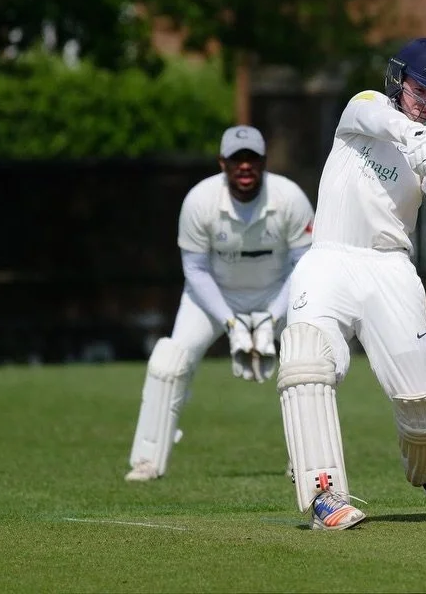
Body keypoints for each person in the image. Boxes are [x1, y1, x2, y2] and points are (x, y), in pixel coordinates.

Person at [276, 37, 426, 530]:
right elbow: (387, 123)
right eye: (419, 90)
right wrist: (422, 141)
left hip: (390, 269)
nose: (425, 103)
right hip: (329, 259)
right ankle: (324, 494)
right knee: (306, 362)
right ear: (398, 79)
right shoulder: (364, 107)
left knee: (420, 398)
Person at [125, 125, 315, 482]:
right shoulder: (200, 201)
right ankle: (147, 461)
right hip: (213, 296)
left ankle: (308, 461)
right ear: (222, 163)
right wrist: (231, 323)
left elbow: (304, 266)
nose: (245, 166)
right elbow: (195, 271)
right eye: (236, 159)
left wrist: (270, 318)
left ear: (264, 162)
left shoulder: (289, 198)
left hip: (279, 294)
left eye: (252, 159)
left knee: (308, 363)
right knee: (169, 362)